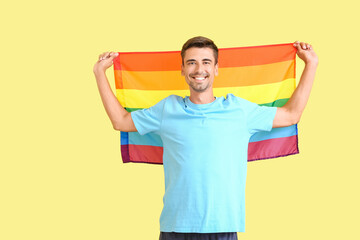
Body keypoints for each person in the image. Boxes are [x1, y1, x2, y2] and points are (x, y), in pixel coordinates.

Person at [93, 36, 318, 240]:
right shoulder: (166, 109)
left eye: (206, 62)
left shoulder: (239, 110)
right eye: (191, 62)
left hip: (222, 226)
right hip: (175, 227)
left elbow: (291, 115)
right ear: (182, 69)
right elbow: (120, 121)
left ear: (216, 68)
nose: (199, 69)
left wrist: (311, 64)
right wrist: (99, 73)